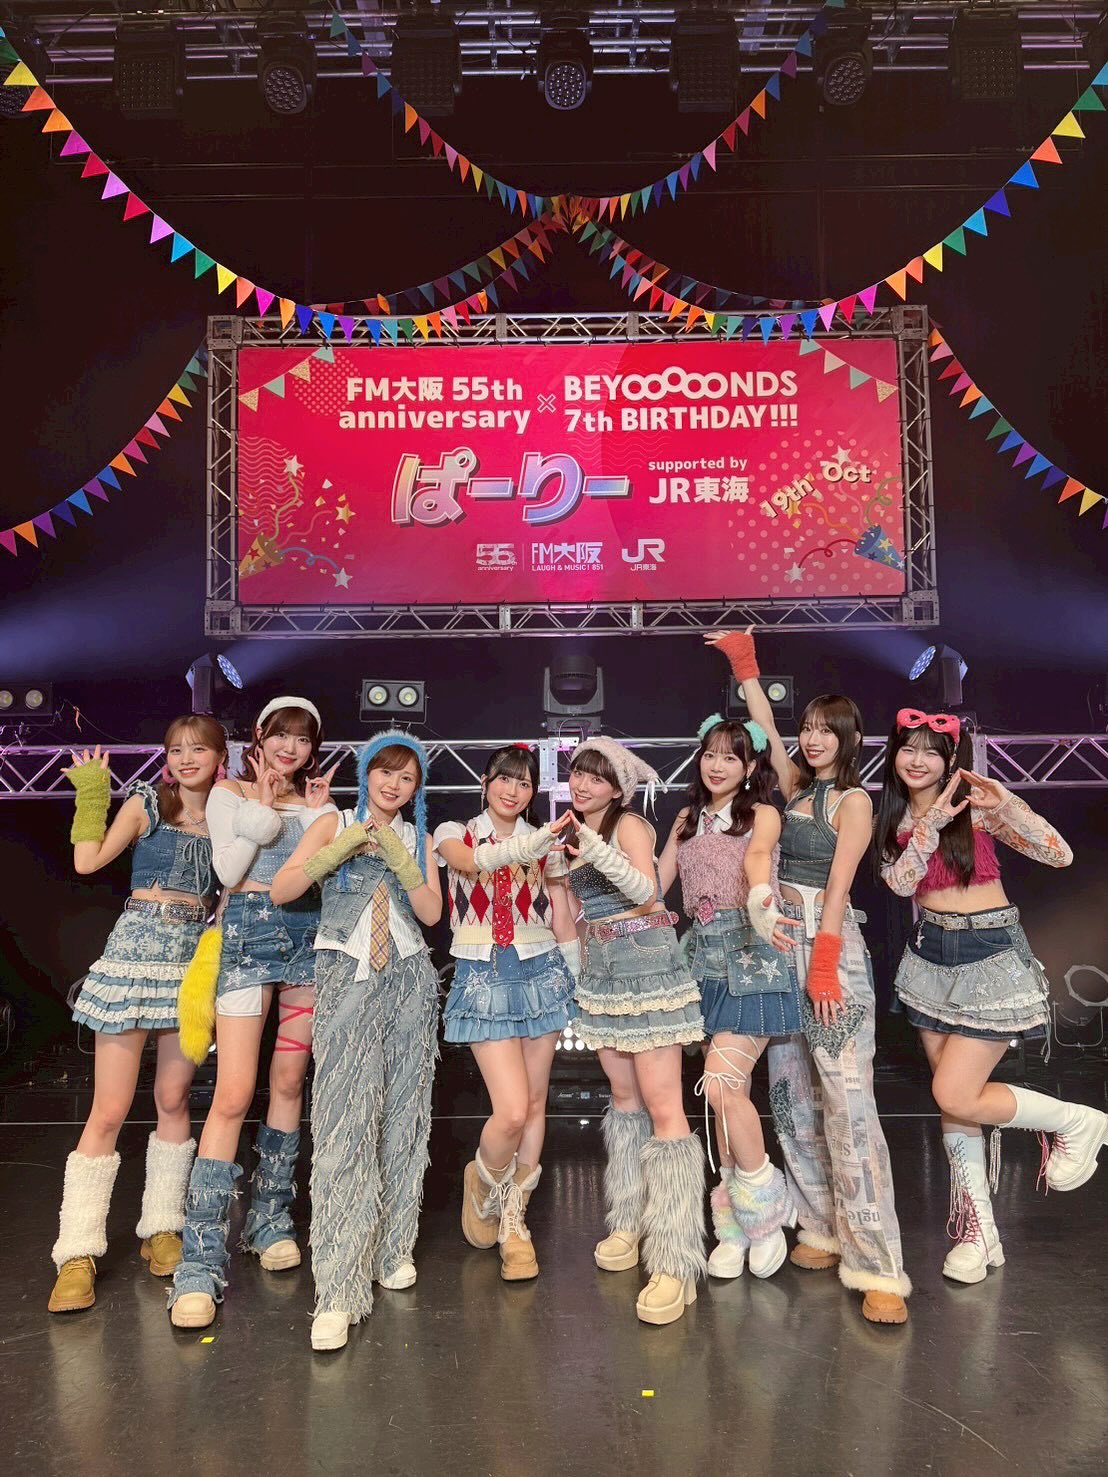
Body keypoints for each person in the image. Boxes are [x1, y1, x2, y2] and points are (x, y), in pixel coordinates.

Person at [711, 628, 912, 1325]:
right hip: (776, 946)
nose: (813, 738)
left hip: (830, 950)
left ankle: (878, 1262)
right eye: (809, 728)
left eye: (827, 730)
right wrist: (746, 664)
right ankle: (822, 1225)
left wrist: (824, 961)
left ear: (849, 739)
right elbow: (765, 729)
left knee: (848, 1102)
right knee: (791, 1095)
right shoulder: (794, 788)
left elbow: (842, 882)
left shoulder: (854, 801)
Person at [876, 707, 1103, 1283]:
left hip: (991, 953)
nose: (918, 761)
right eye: (908, 748)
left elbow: (1059, 854)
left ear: (950, 759)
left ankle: (1077, 1121)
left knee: (955, 1092)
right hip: (928, 959)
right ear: (894, 753)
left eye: (931, 752)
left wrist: (1008, 805)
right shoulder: (891, 816)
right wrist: (926, 830)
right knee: (955, 1104)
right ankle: (979, 1234)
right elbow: (900, 883)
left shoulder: (977, 808)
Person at [169, 697, 337, 1330]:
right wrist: (263, 808)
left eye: (303, 739)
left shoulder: (319, 805)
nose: (290, 748)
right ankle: (199, 1261)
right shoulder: (228, 794)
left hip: (307, 940)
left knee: (290, 1082)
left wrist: (316, 813)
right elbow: (228, 870)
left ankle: (269, 1219)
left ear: (313, 749)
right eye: (281, 735)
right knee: (234, 1092)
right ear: (260, 738)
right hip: (245, 936)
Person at [271, 730, 443, 1350]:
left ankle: (392, 1247)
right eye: (384, 772)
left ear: (416, 788)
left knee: (402, 1117)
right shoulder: (332, 821)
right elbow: (283, 889)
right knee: (345, 1122)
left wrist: (399, 854)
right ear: (366, 773)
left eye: (407, 777)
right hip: (345, 974)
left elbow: (431, 913)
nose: (394, 784)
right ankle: (338, 1288)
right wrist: (343, 846)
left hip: (410, 977)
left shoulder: (420, 837)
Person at [48, 718, 226, 1313]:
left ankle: (163, 1227)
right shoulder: (148, 803)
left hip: (190, 966)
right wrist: (92, 795)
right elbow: (86, 862)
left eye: (198, 748)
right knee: (110, 1108)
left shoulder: (227, 815)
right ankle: (76, 1253)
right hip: (134, 956)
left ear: (220, 756)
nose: (185, 758)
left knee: (174, 1099)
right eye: (175, 749)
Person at [564, 737, 706, 1326]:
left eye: (597, 778)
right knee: (623, 1102)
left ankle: (676, 1258)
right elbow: (575, 914)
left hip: (648, 969)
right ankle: (629, 1218)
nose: (582, 784)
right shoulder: (575, 832)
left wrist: (592, 847)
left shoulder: (628, 827)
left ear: (618, 789)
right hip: (603, 974)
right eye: (578, 772)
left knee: (664, 1107)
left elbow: (648, 892)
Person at [657, 714, 800, 1282]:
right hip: (700, 962)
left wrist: (763, 904)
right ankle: (734, 1224)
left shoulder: (762, 814)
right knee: (724, 1095)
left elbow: (759, 861)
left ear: (749, 766)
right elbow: (655, 885)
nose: (717, 765)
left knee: (719, 1084)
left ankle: (766, 1217)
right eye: (710, 754)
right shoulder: (687, 818)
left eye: (730, 757)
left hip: (751, 953)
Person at [433, 744, 579, 1283]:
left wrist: (575, 973)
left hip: (542, 971)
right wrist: (534, 842)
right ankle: (485, 1180)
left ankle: (515, 1220)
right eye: (504, 779)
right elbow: (470, 863)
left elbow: (560, 910)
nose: (512, 791)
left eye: (523, 784)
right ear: (485, 781)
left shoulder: (545, 842)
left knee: (536, 1104)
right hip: (483, 975)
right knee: (512, 1110)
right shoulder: (455, 832)